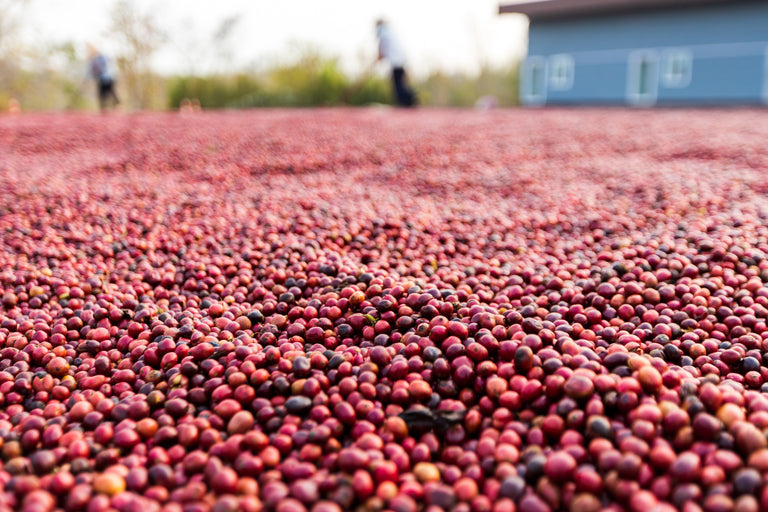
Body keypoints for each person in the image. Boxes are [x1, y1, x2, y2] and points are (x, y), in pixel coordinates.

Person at [375, 19, 417, 107]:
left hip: (396, 61)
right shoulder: (390, 32)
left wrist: (378, 58)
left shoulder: (382, 33)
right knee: (400, 83)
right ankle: (407, 100)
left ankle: (409, 99)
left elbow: (381, 52)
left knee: (398, 85)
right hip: (401, 60)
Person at [86, 44, 119, 111]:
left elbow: (104, 67)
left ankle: (117, 106)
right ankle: (104, 108)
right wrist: (89, 78)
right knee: (102, 94)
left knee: (111, 92)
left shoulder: (102, 57)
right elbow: (91, 71)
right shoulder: (93, 60)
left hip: (109, 78)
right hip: (101, 79)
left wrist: (95, 72)